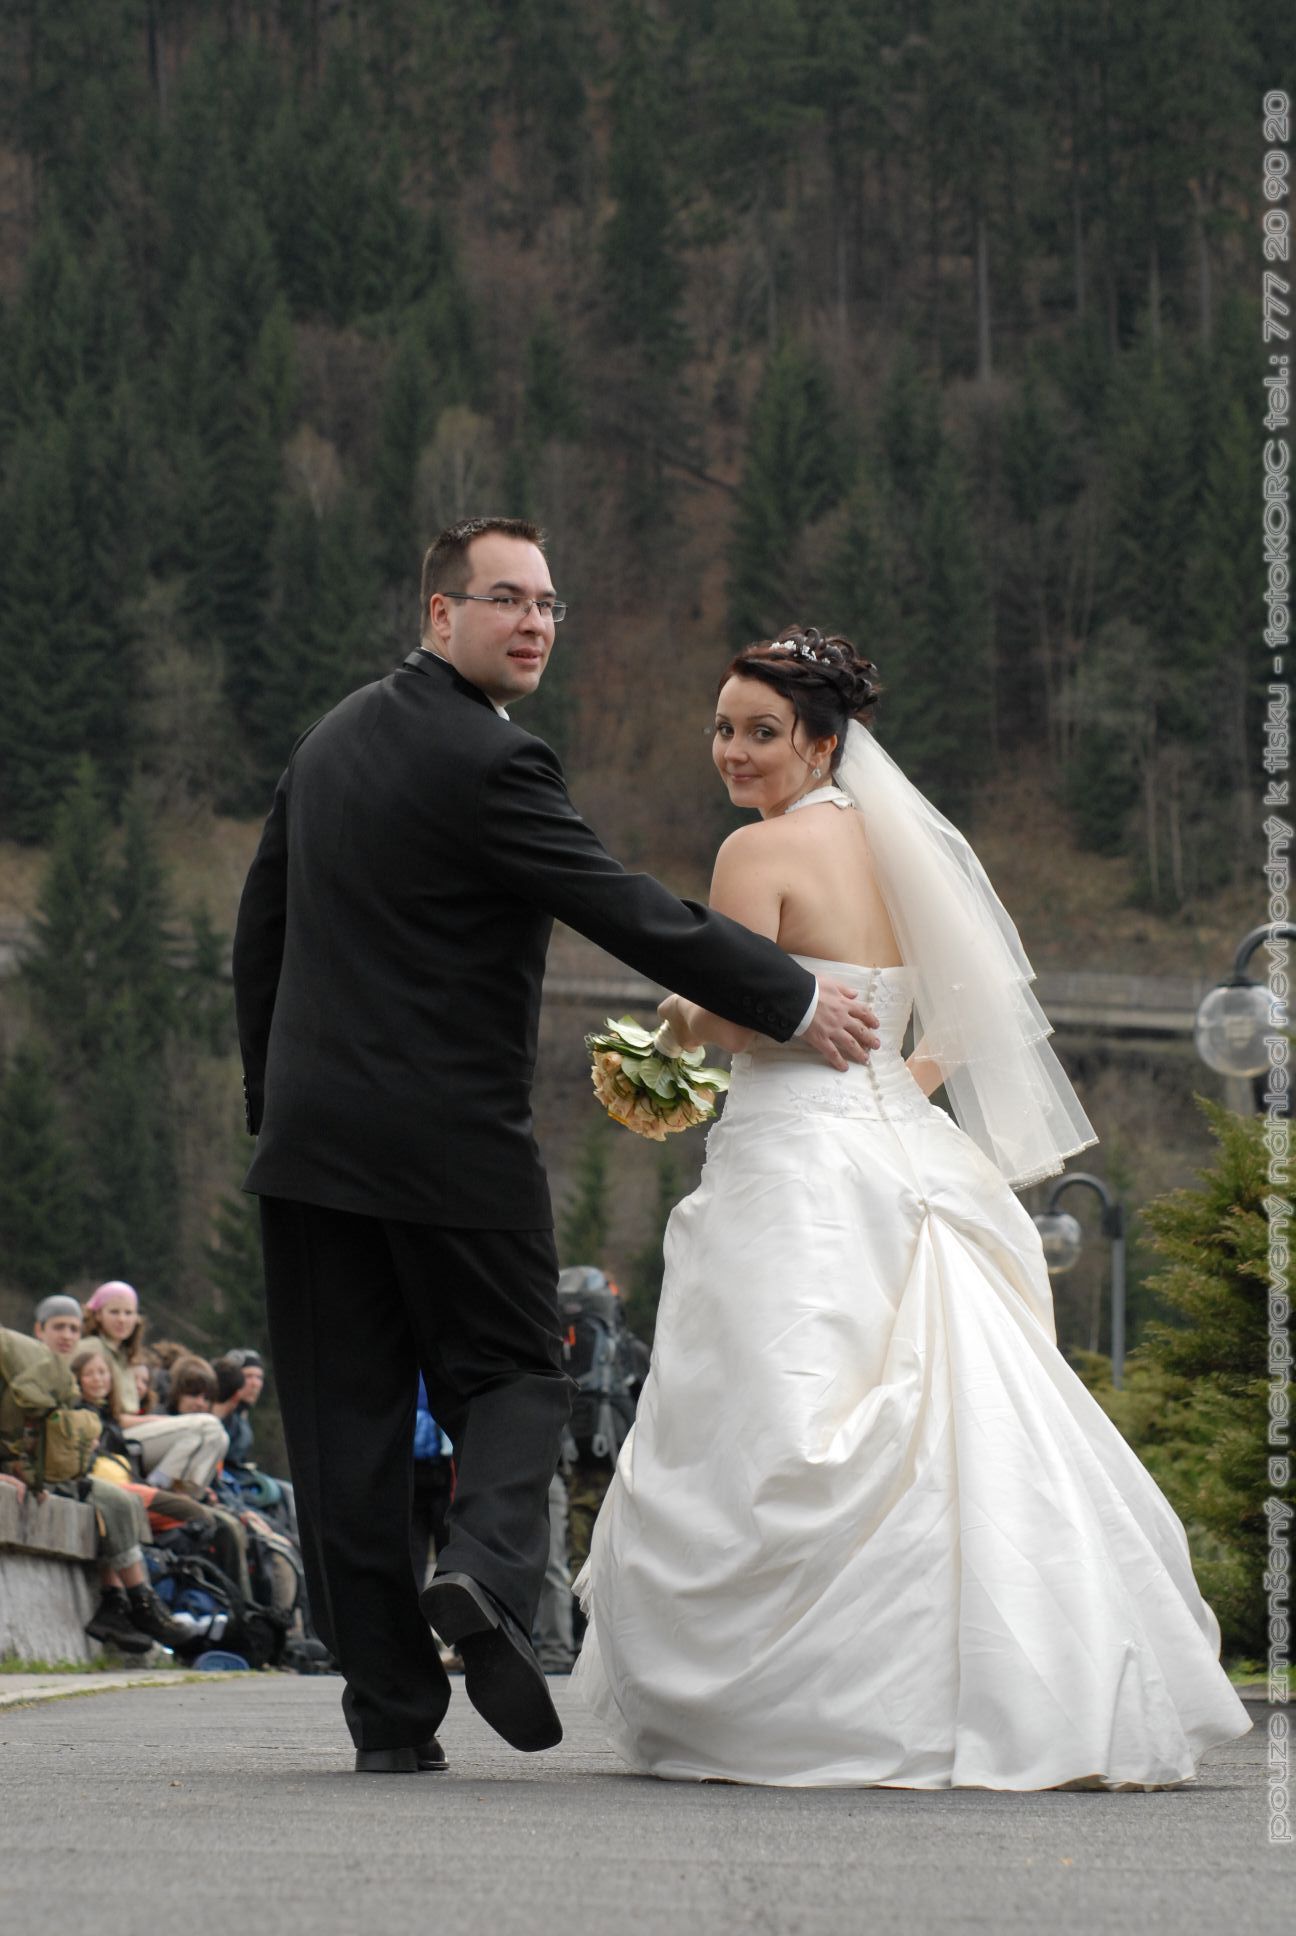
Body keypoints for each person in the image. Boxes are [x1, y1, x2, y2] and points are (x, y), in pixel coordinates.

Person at [231, 516, 881, 1776]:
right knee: (518, 1371)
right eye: (506, 600)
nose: (533, 622)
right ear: (440, 614)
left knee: (342, 1429)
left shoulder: (327, 741)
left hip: (310, 1147)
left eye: (546, 604)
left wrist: (279, 1103)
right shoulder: (494, 761)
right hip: (451, 1140)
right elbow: (620, 906)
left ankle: (390, 1720)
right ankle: (481, 1573)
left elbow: (263, 933)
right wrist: (792, 994)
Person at [572, 627, 1253, 1790]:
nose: (734, 751)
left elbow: (734, 1012)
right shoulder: (902, 849)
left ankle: (806, 1703)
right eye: (723, 728)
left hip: (797, 1160)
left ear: (824, 743)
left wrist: (668, 1024)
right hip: (904, 1149)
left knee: (779, 1411)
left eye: (762, 731)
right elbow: (975, 1014)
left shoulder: (757, 851)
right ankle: (1011, 1684)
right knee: (955, 1415)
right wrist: (890, 1085)